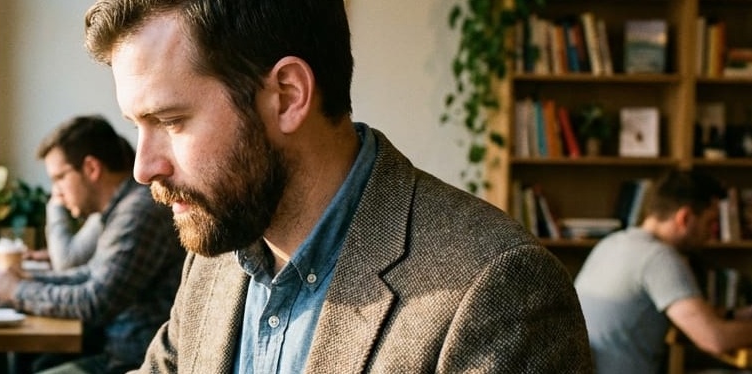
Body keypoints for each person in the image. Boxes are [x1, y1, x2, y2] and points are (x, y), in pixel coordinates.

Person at [82, 0, 592, 372]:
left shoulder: (496, 288)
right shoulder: (219, 248)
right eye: (136, 126)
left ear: (287, 96)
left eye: (171, 122)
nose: (143, 168)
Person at [0, 115, 185, 374]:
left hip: (133, 362)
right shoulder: (121, 209)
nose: (56, 192)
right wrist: (28, 281)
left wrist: (17, 290)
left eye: (60, 178)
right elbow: (90, 274)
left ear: (91, 168)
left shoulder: (139, 212)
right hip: (115, 349)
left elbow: (94, 301)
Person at [575, 171, 752, 373]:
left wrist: (734, 315)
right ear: (684, 218)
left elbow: (683, 314)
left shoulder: (613, 243)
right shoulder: (659, 258)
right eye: (709, 222)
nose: (711, 234)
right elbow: (715, 339)